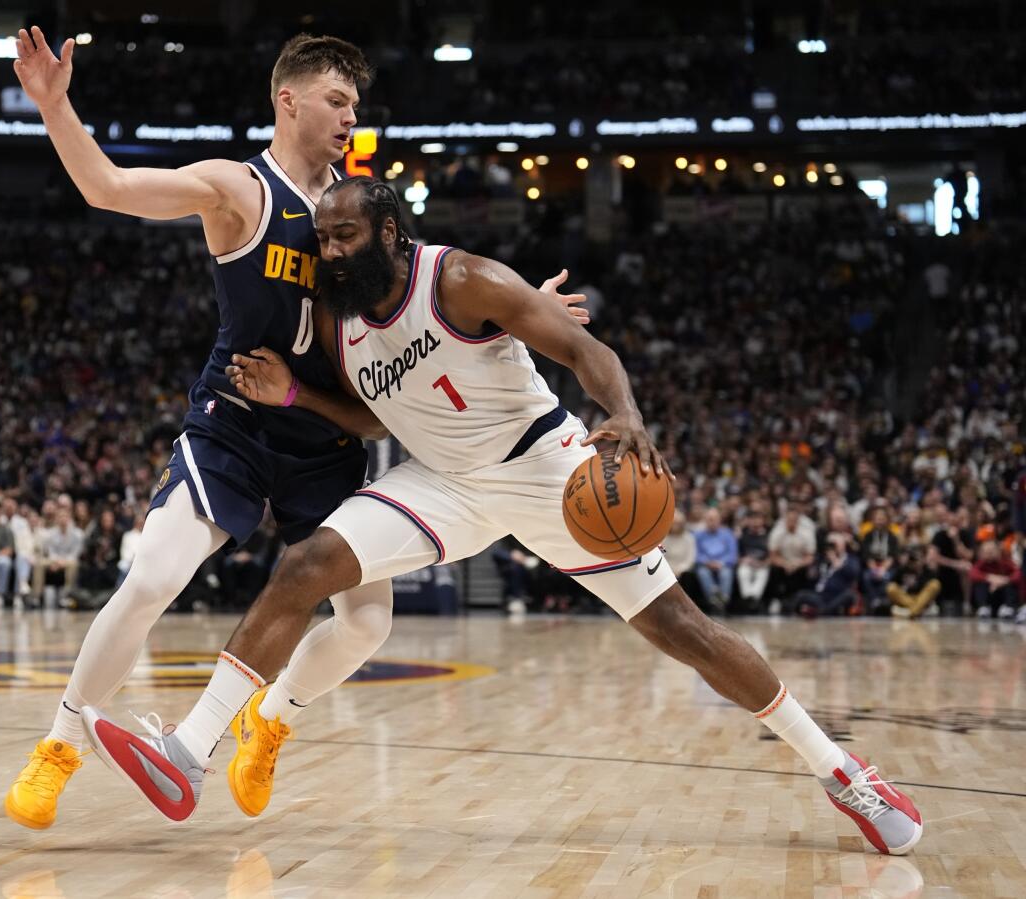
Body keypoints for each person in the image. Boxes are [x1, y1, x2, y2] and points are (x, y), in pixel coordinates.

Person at [84, 177, 922, 856]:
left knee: (685, 631)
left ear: (389, 234)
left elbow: (586, 352)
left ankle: (843, 771)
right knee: (306, 567)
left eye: (343, 237)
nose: (329, 252)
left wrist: (625, 412)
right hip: (443, 481)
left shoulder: (459, 279)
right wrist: (299, 392)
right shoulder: (340, 328)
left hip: (546, 467)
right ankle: (188, 754)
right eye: (323, 241)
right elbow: (380, 419)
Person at [3, 27, 583, 830]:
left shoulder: (362, 211)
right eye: (337, 101)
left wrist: (527, 305)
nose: (350, 118)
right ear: (289, 99)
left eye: (356, 105)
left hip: (326, 434)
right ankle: (60, 745)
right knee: (153, 577)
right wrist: (55, 107)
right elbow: (107, 186)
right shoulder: (239, 188)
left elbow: (431, 292)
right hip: (237, 421)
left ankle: (269, 717)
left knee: (369, 622)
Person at [693, 507, 737, 612]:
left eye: (714, 519)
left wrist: (721, 563)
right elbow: (695, 554)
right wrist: (706, 562)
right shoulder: (698, 535)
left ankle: (723, 601)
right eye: (709, 519)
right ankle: (713, 600)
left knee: (726, 573)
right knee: (702, 573)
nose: (711, 522)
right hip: (705, 565)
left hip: (723, 564)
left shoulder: (728, 534)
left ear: (719, 520)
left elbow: (732, 554)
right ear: (705, 520)